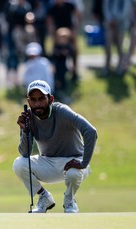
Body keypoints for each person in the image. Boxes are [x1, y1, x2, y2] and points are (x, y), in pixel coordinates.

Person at [13, 80, 97, 213]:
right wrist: (25, 131)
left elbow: (90, 131)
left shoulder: (62, 111)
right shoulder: (28, 117)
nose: (37, 104)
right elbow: (25, 153)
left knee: (73, 173)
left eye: (41, 99)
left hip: (74, 161)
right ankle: (44, 198)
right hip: (48, 163)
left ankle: (69, 202)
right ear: (28, 101)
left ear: (50, 99)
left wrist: (83, 162)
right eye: (33, 100)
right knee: (19, 164)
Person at [102, 0, 131, 76]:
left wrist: (118, 19)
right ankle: (107, 67)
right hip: (109, 24)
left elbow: (126, 10)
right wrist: (110, 19)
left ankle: (120, 67)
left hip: (121, 24)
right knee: (107, 45)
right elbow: (106, 8)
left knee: (119, 46)